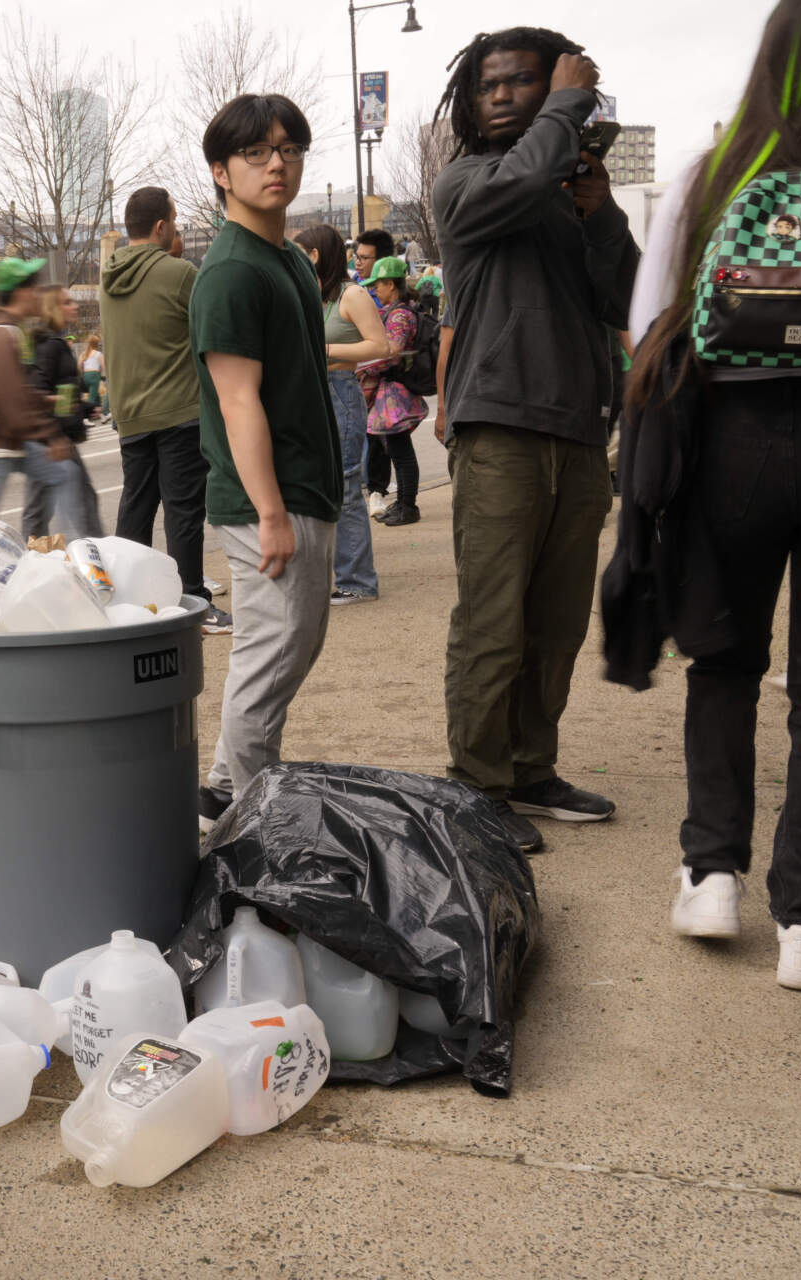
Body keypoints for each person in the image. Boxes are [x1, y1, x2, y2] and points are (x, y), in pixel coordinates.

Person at [619, 0, 801, 990]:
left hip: (729, 449)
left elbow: (646, 331)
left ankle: (711, 872)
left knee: (724, 663)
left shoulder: (709, 180)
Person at [432, 26, 636, 851]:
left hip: (579, 436)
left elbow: (623, 294)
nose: (509, 96)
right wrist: (566, 101)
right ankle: (476, 790)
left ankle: (530, 769)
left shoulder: (558, 193)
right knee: (492, 623)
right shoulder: (466, 184)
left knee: (556, 626)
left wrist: (601, 213)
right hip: (501, 435)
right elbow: (516, 180)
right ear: (472, 105)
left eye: (528, 83)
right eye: (495, 86)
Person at [191, 94, 341, 821]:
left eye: (288, 148)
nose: (276, 163)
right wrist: (271, 512)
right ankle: (242, 823)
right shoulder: (230, 272)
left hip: (303, 491)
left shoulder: (286, 259)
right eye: (255, 153)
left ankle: (224, 787)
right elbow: (237, 400)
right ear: (221, 171)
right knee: (270, 659)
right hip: (267, 503)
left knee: (289, 648)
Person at [100, 186, 217, 604]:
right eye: (175, 220)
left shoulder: (108, 277)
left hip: (130, 412)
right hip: (177, 410)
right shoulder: (178, 273)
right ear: (162, 225)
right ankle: (192, 599)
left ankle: (125, 597)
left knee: (136, 506)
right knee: (184, 511)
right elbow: (212, 329)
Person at [294, 224, 388, 606]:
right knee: (315, 487)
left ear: (315, 255)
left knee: (348, 487)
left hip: (339, 390)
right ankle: (334, 575)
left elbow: (380, 345)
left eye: (299, 252)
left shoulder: (351, 294)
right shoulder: (311, 294)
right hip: (312, 395)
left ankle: (358, 581)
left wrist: (324, 346)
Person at [0, 258, 84, 535]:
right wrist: (50, 435)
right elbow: (11, 401)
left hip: (4, 438)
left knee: (64, 473)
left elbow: (17, 389)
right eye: (33, 287)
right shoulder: (4, 337)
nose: (37, 293)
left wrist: (44, 401)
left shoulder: (11, 331)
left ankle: (71, 547)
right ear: (20, 292)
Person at [21, 284, 104, 539]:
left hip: (54, 437)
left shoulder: (53, 342)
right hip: (53, 440)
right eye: (67, 302)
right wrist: (54, 437)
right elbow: (40, 393)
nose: (75, 306)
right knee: (79, 504)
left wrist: (87, 408)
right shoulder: (49, 345)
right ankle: (93, 560)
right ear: (53, 308)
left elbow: (62, 392)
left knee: (41, 508)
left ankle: (34, 557)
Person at [360, 257, 430, 528]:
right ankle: (402, 503)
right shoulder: (400, 310)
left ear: (391, 284)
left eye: (377, 284)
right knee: (399, 451)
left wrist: (363, 367)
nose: (375, 290)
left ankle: (408, 505)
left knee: (401, 452)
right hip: (396, 392)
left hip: (395, 394)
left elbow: (392, 354)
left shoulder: (399, 314)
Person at [79, 334, 106, 423]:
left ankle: (103, 416)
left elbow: (79, 366)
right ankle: (85, 418)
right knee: (92, 398)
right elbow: (103, 366)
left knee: (96, 395)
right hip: (94, 375)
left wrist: (83, 374)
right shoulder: (98, 354)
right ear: (96, 343)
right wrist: (104, 375)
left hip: (85, 375)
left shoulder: (84, 354)